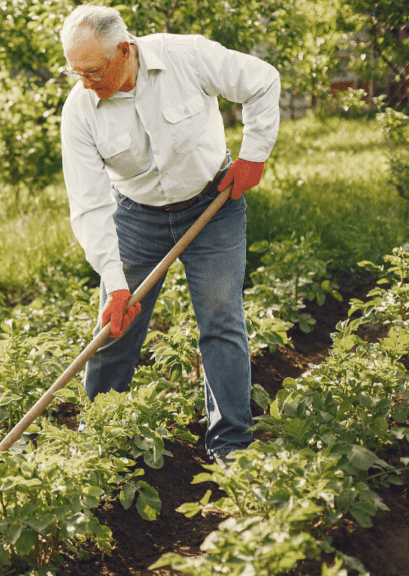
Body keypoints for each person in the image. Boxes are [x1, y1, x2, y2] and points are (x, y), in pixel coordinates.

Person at [58, 4, 280, 462]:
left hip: (212, 204)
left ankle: (232, 445)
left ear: (125, 50)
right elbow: (89, 204)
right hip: (135, 217)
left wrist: (254, 154)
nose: (86, 83)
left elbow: (262, 80)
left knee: (221, 321)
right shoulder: (80, 110)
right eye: (76, 72)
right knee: (116, 327)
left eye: (93, 71)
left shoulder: (186, 57)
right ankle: (97, 439)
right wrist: (116, 284)